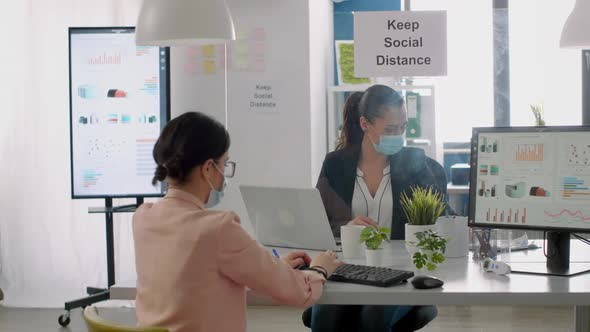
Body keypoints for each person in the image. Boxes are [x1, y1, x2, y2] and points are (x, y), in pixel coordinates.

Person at [133, 112, 343, 332]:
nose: (225, 173)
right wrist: (319, 269)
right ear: (207, 169)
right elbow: (298, 293)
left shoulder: (143, 217)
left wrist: (275, 267)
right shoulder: (218, 229)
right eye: (224, 164)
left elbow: (199, 278)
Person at [307, 85, 448, 331]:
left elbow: (442, 216)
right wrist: (346, 228)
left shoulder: (414, 162)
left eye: (402, 127)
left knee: (371, 318)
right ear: (365, 124)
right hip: (347, 271)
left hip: (401, 275)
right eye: (391, 129)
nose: (399, 135)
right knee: (325, 317)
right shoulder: (335, 164)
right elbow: (318, 223)